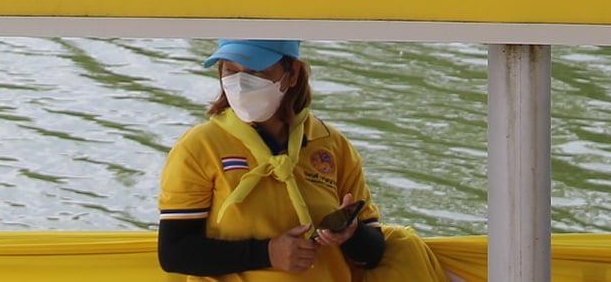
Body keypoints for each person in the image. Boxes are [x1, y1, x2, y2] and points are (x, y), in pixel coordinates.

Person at [157, 39, 453, 280]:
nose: (241, 83)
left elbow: (373, 254)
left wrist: (351, 234)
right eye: (230, 70)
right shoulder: (200, 146)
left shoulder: (332, 145)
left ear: (293, 74)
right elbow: (174, 253)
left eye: (256, 72)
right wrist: (267, 253)